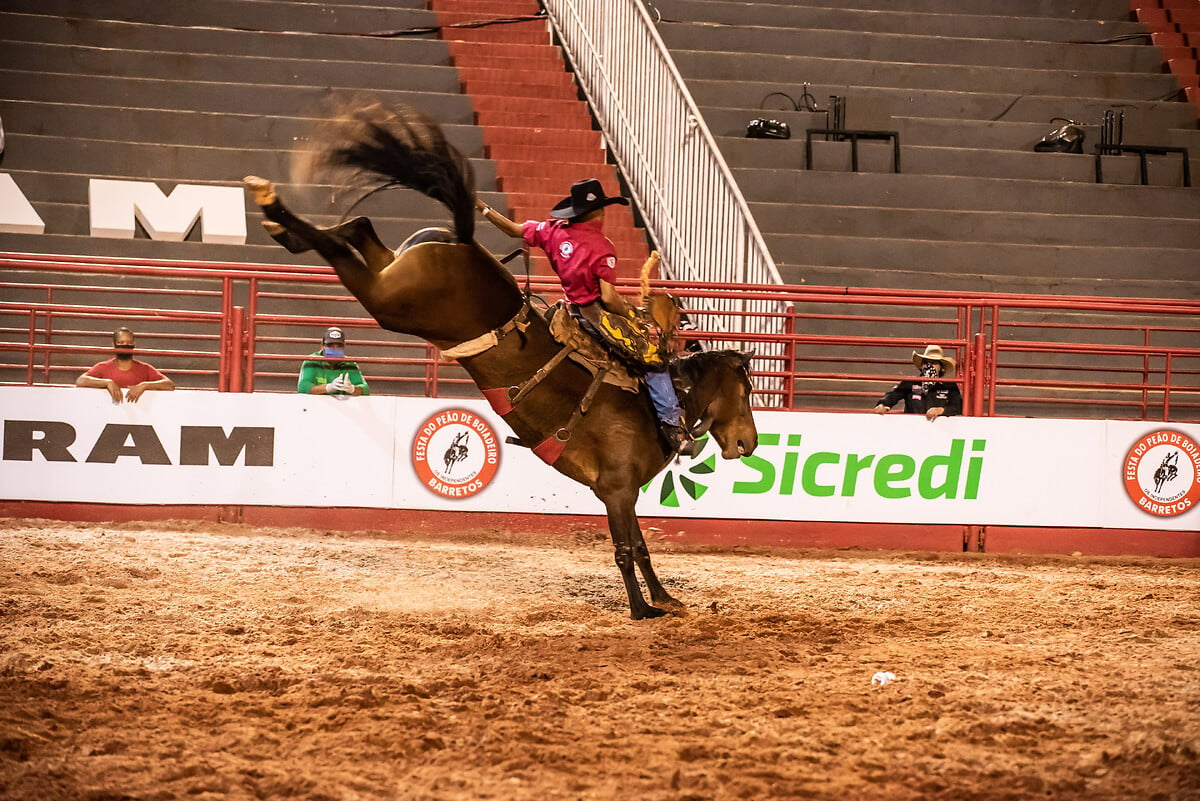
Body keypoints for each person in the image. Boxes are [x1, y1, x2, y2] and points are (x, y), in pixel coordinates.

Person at [476, 178, 694, 455]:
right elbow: (609, 298)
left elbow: (513, 230)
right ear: (598, 212)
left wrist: (482, 207)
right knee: (652, 360)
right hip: (596, 317)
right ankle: (673, 426)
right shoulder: (602, 246)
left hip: (569, 311)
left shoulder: (552, 230)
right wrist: (632, 312)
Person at [75, 327, 175, 403]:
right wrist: (107, 383)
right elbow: (80, 381)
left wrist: (145, 385)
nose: (125, 345)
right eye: (121, 342)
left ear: (134, 344)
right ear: (113, 345)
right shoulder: (103, 367)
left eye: (129, 342)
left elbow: (169, 385)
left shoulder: (145, 368)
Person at [873, 344, 962, 421]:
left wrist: (941, 410)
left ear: (941, 367)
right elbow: (892, 396)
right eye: (926, 362)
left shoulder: (949, 385)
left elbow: (957, 407)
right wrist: (883, 405)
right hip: (912, 429)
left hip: (939, 431)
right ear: (922, 365)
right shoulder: (910, 383)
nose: (929, 366)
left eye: (934, 363)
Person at [298, 326, 369, 396]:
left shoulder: (349, 364)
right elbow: (302, 387)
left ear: (344, 347)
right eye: (330, 345)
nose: (335, 349)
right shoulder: (312, 361)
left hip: (342, 405)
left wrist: (352, 389)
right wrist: (328, 387)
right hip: (317, 405)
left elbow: (365, 389)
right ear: (322, 346)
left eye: (339, 346)